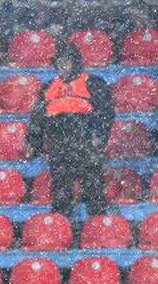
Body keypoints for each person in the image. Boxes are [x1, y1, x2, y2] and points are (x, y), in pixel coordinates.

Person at [27, 44, 113, 217]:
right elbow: (37, 118)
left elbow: (106, 112)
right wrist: (33, 142)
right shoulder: (49, 87)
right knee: (61, 192)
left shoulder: (92, 83)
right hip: (59, 145)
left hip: (85, 143)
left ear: (76, 63)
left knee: (94, 190)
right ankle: (62, 229)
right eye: (60, 63)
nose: (63, 67)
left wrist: (100, 135)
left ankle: (97, 229)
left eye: (67, 62)